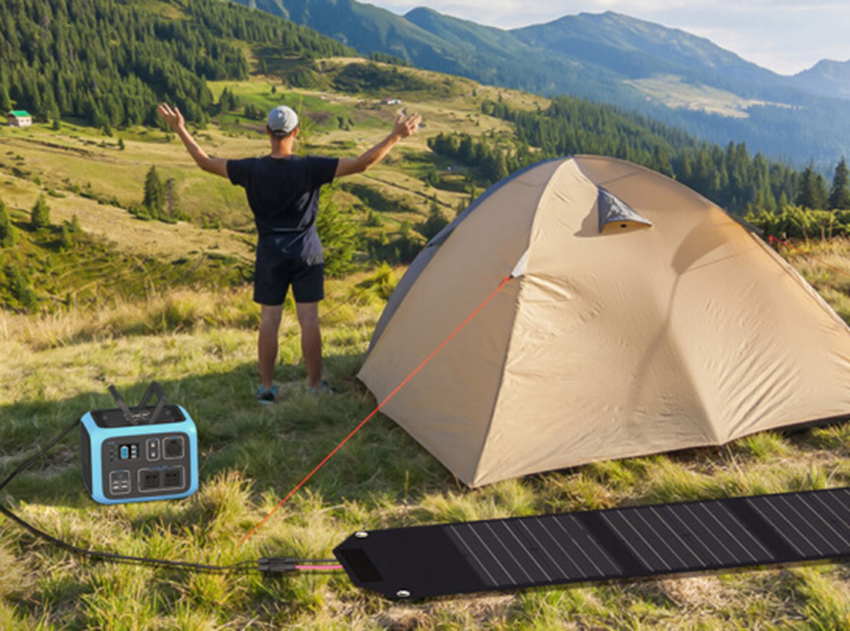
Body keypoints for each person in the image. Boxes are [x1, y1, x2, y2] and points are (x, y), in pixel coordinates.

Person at [158, 102, 421, 403]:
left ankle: (267, 389)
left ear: (267, 131)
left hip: (270, 251)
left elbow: (205, 162)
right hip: (307, 250)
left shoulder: (250, 169)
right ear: (295, 132)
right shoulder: (310, 167)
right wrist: (395, 136)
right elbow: (362, 164)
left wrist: (180, 129)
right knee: (309, 319)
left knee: (269, 320)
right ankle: (314, 385)